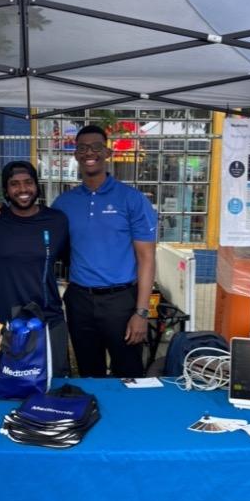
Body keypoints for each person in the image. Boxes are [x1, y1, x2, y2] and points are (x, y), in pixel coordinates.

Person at [53, 125, 157, 378]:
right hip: (79, 301)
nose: (90, 153)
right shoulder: (63, 203)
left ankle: (129, 419)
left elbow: (147, 258)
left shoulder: (131, 199)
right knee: (90, 376)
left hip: (121, 302)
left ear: (107, 153)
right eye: (83, 147)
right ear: (76, 154)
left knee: (129, 377)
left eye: (97, 147)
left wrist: (141, 313)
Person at [0, 160, 71, 376]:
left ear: (37, 186)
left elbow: (73, 263)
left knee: (49, 386)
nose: (23, 189)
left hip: (47, 319)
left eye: (28, 182)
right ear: (6, 191)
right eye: (14, 184)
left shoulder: (57, 221)